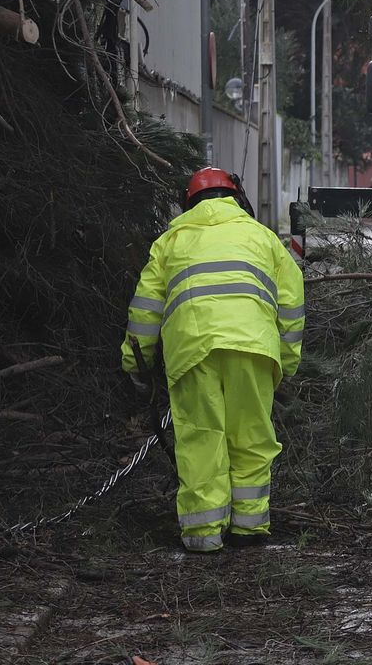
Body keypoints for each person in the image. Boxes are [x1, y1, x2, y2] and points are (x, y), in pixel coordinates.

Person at [122, 167, 305, 553]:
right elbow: (291, 307)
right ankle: (249, 528)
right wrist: (285, 363)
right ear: (236, 198)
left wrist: (136, 366)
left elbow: (145, 311)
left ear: (188, 203)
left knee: (200, 438)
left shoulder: (170, 242)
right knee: (252, 437)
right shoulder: (264, 239)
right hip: (254, 348)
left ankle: (204, 536)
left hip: (192, 349)